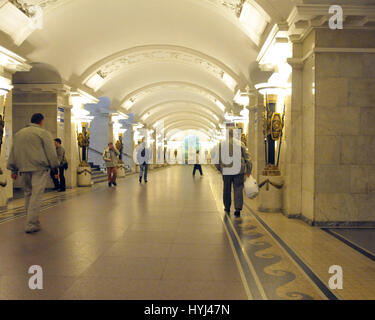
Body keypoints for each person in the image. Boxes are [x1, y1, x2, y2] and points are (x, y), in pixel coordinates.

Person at [7, 113, 59, 234]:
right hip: (39, 168)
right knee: (36, 195)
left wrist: (13, 169)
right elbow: (51, 152)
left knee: (28, 194)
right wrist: (55, 167)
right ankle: (31, 224)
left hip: (23, 168)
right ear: (41, 121)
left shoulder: (19, 134)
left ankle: (32, 221)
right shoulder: (43, 133)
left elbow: (13, 152)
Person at [216, 128, 252, 218]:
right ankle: (237, 209)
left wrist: (220, 169)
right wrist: (249, 170)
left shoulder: (221, 145)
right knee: (238, 188)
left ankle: (227, 207)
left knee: (226, 189)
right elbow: (248, 158)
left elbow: (216, 159)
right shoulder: (241, 144)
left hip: (226, 170)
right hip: (238, 170)